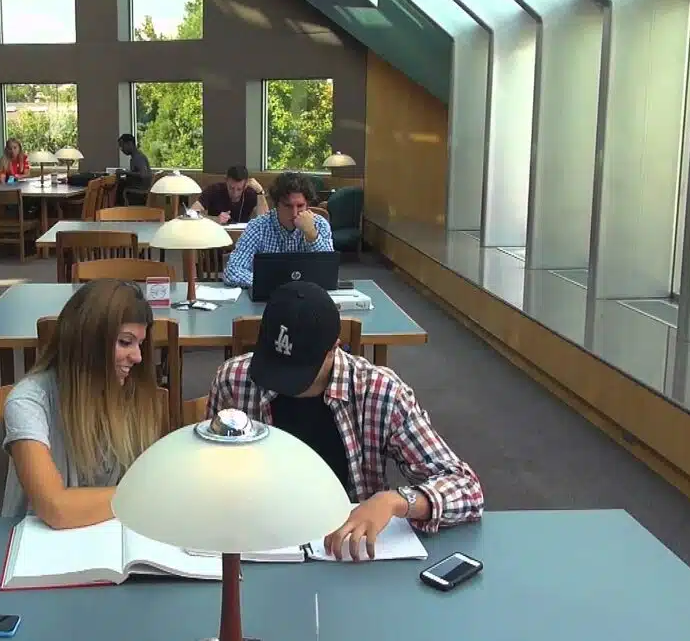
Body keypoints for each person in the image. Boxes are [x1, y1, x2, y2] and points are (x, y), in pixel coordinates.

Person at [207, 281, 483, 560]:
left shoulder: (380, 392)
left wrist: (393, 501)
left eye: (298, 370)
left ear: (334, 348)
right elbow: (210, 472)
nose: (282, 383)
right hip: (260, 539)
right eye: (275, 364)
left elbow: (466, 488)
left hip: (346, 549)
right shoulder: (235, 380)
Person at [1, 280, 165, 525]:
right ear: (88, 343)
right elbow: (55, 507)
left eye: (139, 344)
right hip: (37, 540)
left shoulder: (133, 393)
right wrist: (147, 494)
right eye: (125, 342)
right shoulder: (27, 402)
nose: (138, 357)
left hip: (107, 530)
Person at [222, 171, 333, 287]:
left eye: (300, 206)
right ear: (276, 205)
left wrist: (311, 234)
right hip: (269, 293)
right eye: (288, 206)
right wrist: (274, 283)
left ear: (307, 205)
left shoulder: (320, 224)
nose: (294, 213)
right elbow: (232, 271)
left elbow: (329, 271)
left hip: (309, 293)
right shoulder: (258, 227)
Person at [191, 165, 269, 224]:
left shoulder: (250, 193)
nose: (235, 193)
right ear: (226, 181)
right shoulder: (214, 190)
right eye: (231, 188)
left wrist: (260, 192)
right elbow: (192, 213)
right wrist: (215, 219)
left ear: (245, 186)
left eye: (239, 189)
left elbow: (265, 220)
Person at [116, 133, 152, 206]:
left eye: (122, 146)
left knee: (119, 188)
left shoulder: (138, 157)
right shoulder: (136, 157)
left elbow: (143, 174)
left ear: (130, 144)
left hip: (140, 192)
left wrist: (125, 172)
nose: (121, 149)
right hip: (140, 189)